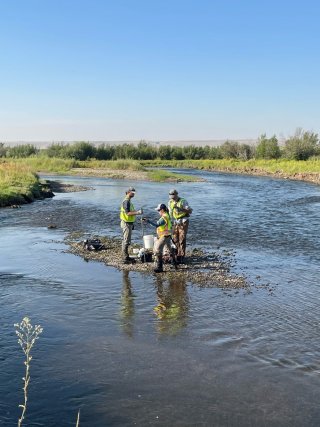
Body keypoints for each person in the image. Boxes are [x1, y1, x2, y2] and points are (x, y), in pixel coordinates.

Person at [143, 203, 177, 273]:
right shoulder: (168, 215)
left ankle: (160, 267)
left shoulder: (163, 218)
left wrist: (147, 221)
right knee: (170, 249)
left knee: (158, 249)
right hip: (168, 235)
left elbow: (156, 225)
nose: (158, 212)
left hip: (163, 236)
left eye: (158, 210)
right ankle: (174, 264)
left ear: (162, 210)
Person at [168, 189, 192, 264]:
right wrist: (169, 222)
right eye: (171, 196)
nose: (172, 198)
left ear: (177, 195)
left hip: (183, 220)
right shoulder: (170, 202)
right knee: (175, 238)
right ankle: (177, 254)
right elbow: (170, 213)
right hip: (175, 221)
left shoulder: (183, 201)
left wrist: (180, 208)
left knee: (182, 238)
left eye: (173, 196)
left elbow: (190, 211)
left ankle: (181, 256)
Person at [120, 187, 143, 264]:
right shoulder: (126, 202)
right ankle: (125, 258)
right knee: (126, 241)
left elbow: (130, 212)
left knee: (127, 240)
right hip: (126, 223)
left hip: (129, 223)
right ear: (128, 192)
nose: (133, 194)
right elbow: (128, 213)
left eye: (134, 192)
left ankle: (126, 256)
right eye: (132, 192)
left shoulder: (128, 201)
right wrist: (138, 213)